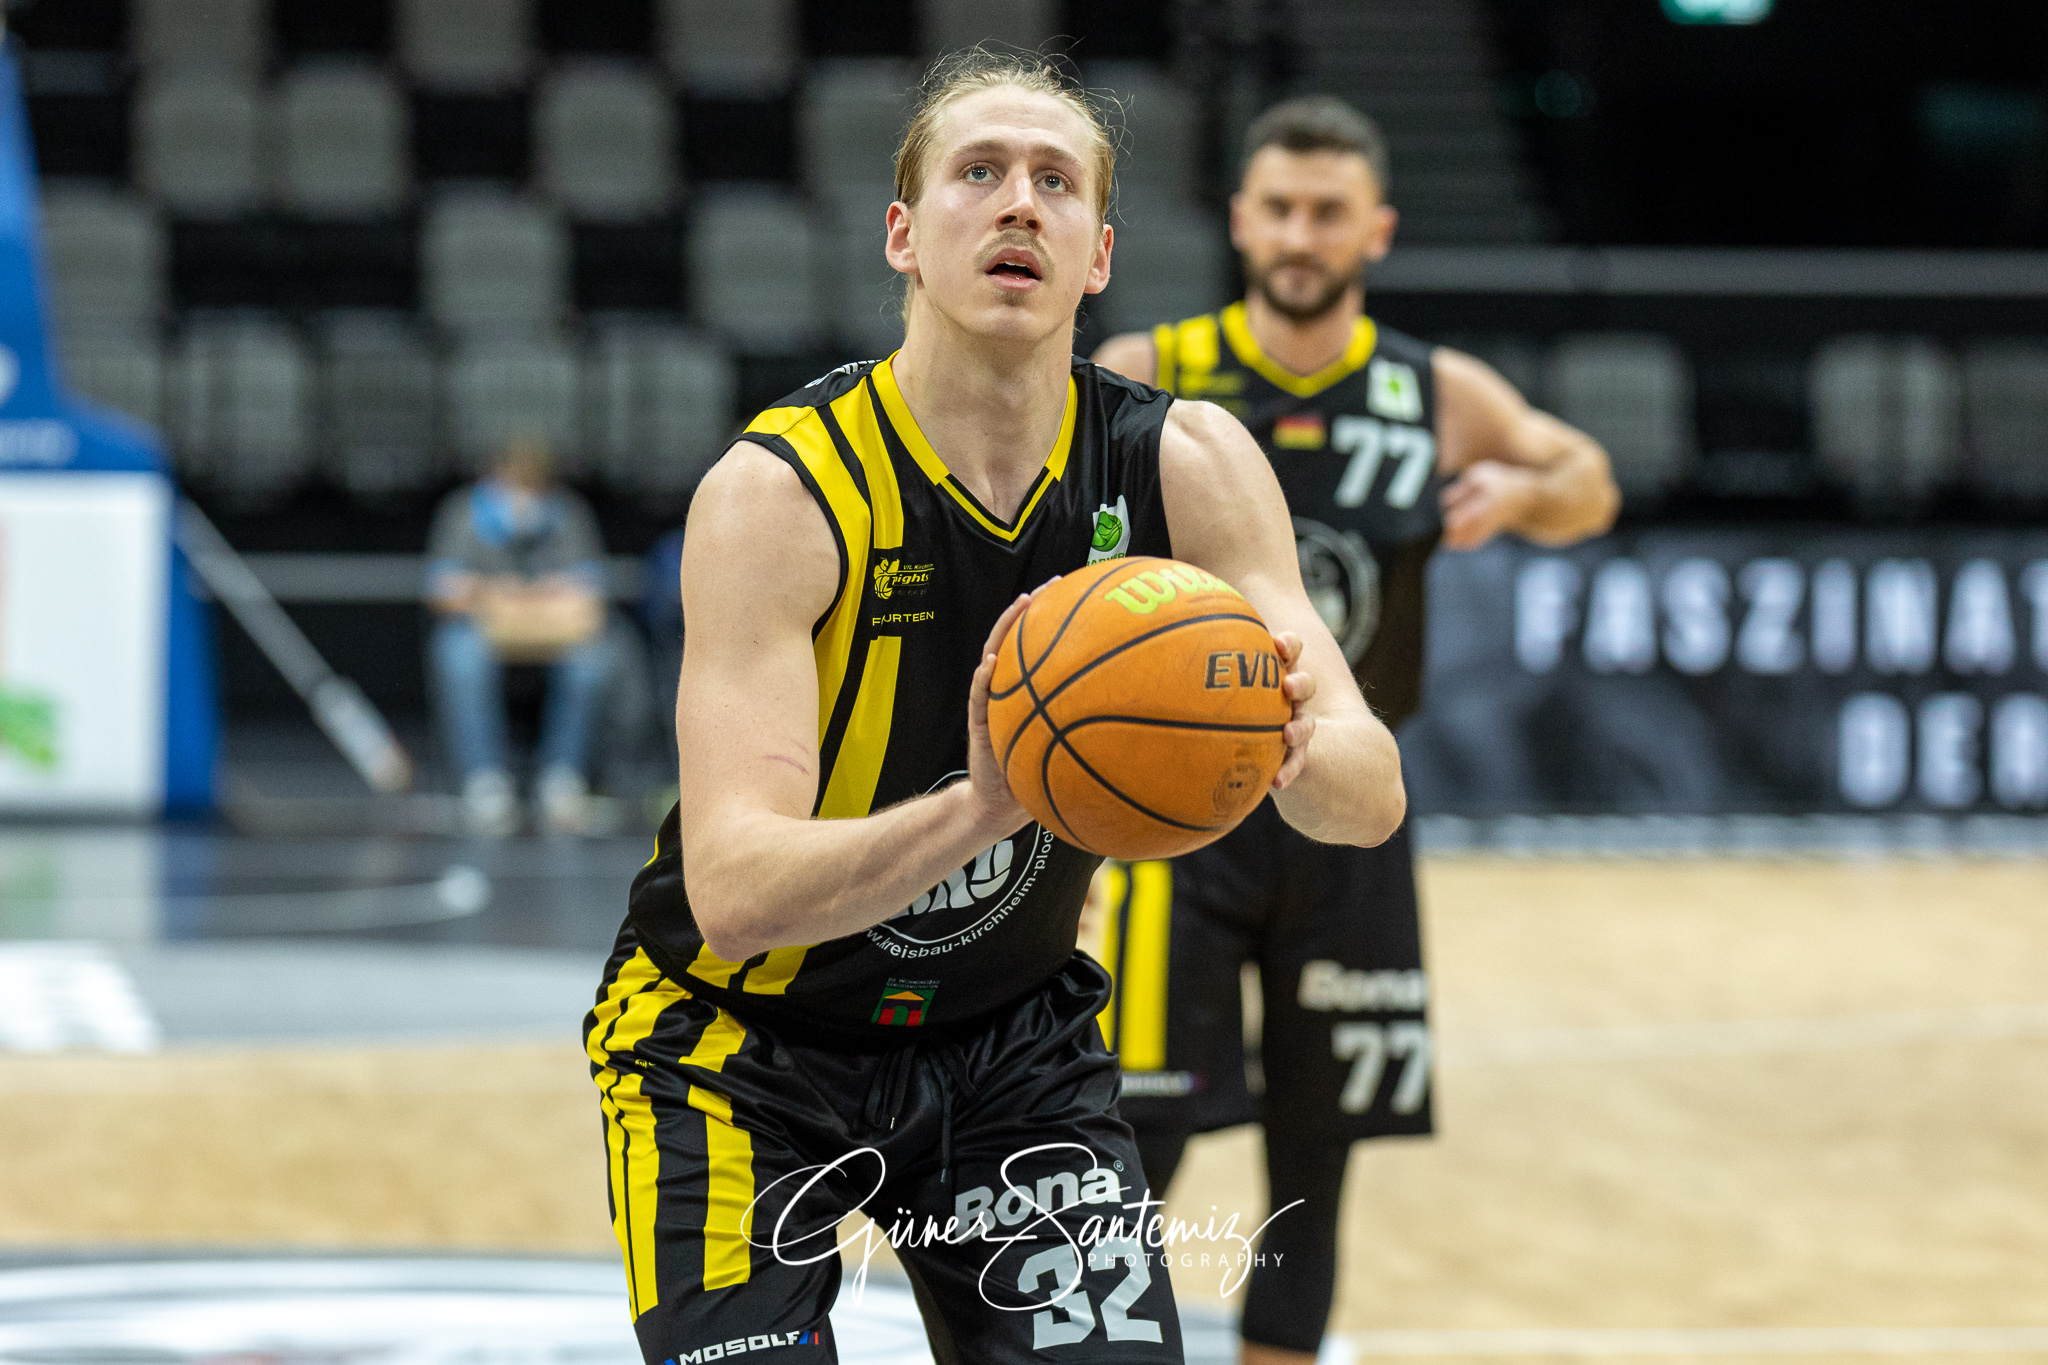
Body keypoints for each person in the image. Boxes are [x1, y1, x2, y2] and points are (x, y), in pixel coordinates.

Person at [583, 53, 1407, 1365]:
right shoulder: (780, 492)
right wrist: (987, 799)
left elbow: (1371, 792)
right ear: (905, 236)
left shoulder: (1185, 462)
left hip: (1010, 1047)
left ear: (1099, 256)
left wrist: (1294, 741)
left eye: (1055, 182)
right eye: (979, 174)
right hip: (738, 1051)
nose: (1019, 203)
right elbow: (736, 891)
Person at [1089, 96, 1620, 1365]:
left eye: (1326, 212)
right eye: (1277, 206)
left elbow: (1588, 483)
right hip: (1182, 812)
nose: (1298, 233)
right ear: (1238, 219)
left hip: (1347, 804)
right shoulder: (1156, 369)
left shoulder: (1429, 387)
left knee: (1315, 1152)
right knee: (1133, 1139)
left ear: (1372, 229)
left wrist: (1524, 488)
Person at [426, 436, 615, 836]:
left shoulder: (567, 514)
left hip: (554, 634)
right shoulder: (465, 512)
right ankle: (485, 781)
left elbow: (592, 594)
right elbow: (441, 591)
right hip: (486, 630)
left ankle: (563, 778)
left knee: (594, 661)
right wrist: (493, 593)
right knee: (458, 654)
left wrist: (543, 595)